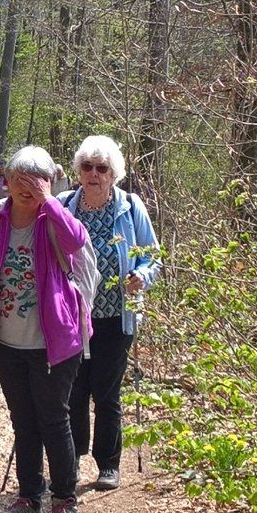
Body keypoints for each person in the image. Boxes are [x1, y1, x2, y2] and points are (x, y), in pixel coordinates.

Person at [0, 145, 91, 513]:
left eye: (36, 179)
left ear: (50, 182)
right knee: (23, 421)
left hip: (55, 340)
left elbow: (76, 240)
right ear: (7, 178)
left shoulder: (54, 219)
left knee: (54, 419)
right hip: (6, 341)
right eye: (18, 177)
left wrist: (49, 202)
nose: (25, 186)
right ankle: (29, 498)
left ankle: (65, 500)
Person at [64, 135, 161, 490]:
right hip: (71, 316)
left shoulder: (130, 208)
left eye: (101, 168)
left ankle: (108, 464)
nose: (93, 174)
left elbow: (153, 256)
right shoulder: (64, 206)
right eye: (87, 167)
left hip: (117, 316)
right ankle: (70, 458)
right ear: (78, 170)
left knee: (106, 391)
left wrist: (142, 276)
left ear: (113, 173)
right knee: (73, 389)